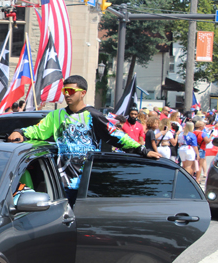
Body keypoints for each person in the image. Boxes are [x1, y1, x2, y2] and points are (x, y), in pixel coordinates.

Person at [8, 75, 161, 204]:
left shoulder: (93, 116)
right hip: (63, 182)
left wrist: (143, 150)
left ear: (83, 93)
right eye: (64, 91)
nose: (67, 94)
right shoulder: (56, 116)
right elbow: (38, 131)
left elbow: (116, 136)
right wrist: (20, 131)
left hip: (87, 182)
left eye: (71, 91)